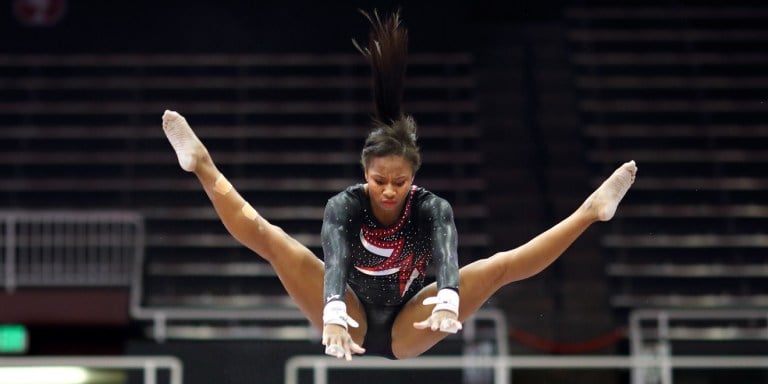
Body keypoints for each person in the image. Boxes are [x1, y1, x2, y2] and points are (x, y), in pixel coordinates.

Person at [160, 9, 637, 361]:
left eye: (400, 182)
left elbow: (448, 256)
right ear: (364, 173)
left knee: (497, 267)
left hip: (412, 318)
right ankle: (203, 164)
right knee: (274, 241)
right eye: (378, 180)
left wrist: (449, 300)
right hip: (348, 308)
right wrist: (331, 315)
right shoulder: (345, 206)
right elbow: (336, 258)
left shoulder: (432, 208)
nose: (388, 190)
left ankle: (591, 211)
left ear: (415, 178)